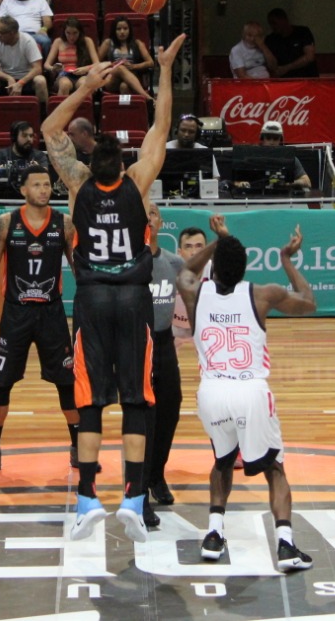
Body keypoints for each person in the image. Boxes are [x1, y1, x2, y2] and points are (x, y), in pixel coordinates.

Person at [42, 35, 185, 544]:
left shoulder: (78, 184)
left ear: (90, 161)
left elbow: (48, 128)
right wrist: (164, 69)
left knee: (90, 403)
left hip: (92, 301)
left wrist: (85, 86)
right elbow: (162, 125)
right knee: (137, 401)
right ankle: (132, 496)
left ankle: (85, 500)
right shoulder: (137, 182)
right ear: (121, 164)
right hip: (133, 299)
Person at [176, 216, 317, 570]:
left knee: (223, 461)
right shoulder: (263, 294)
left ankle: (213, 534)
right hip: (250, 391)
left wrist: (217, 242)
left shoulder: (197, 292)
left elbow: (184, 272)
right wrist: (287, 260)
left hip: (212, 393)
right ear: (244, 267)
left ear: (213, 266)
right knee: (275, 468)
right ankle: (285, 544)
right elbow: (309, 301)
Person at [0, 164, 82, 477]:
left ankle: (77, 447)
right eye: (37, 185)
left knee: (66, 383)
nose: (44, 190)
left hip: (52, 313)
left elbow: (80, 270)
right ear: (23, 190)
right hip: (16, 312)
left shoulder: (65, 224)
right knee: (2, 382)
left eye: (47, 185)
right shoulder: (5, 223)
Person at [141, 204, 186, 529]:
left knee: (171, 408)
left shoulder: (173, 262)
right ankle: (138, 490)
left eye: (154, 212)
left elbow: (200, 295)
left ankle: (157, 475)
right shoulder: (128, 263)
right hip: (136, 347)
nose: (148, 217)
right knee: (143, 416)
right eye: (143, 212)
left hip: (165, 342)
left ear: (161, 222)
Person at [0, 16, 49, 107]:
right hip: (5, 78)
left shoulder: (28, 41)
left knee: (41, 81)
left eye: (1, 33)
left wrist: (20, 83)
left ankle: (43, 116)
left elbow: (37, 68)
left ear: (12, 33)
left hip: (26, 79)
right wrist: (8, 78)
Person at [97, 17, 154, 99]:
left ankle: (126, 110)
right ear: (114, 31)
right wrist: (110, 65)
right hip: (112, 79)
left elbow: (150, 62)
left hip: (132, 78)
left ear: (129, 30)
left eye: (125, 28)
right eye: (118, 29)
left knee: (124, 87)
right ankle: (147, 97)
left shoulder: (137, 43)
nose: (122, 32)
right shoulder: (108, 43)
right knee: (120, 68)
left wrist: (134, 66)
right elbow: (96, 63)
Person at [264, 8, 319, 78]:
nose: (273, 27)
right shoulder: (271, 39)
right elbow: (271, 65)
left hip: (306, 78)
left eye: (274, 23)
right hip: (284, 82)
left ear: (284, 20)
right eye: (270, 24)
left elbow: (309, 56)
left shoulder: (302, 32)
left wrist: (286, 68)